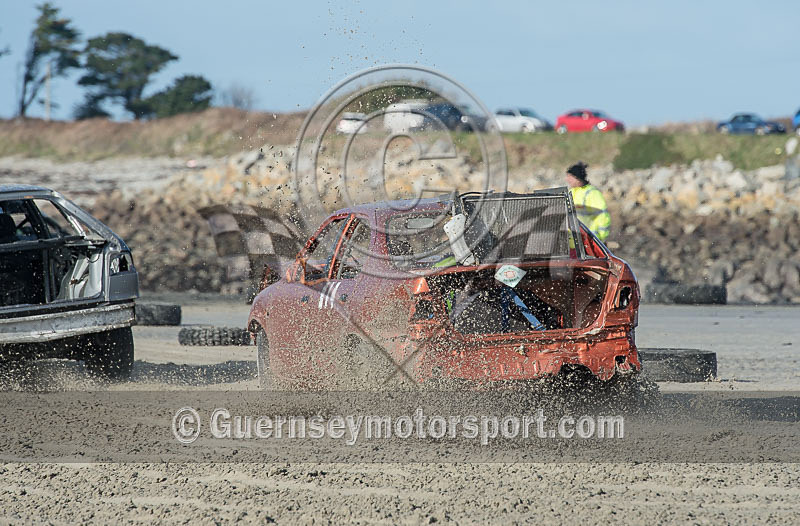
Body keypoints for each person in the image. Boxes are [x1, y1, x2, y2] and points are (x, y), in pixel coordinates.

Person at [565, 162, 611, 242]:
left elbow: (603, 216)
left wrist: (600, 239)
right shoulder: (571, 192)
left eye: (570, 177)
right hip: (574, 242)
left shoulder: (592, 193)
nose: (567, 179)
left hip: (590, 241)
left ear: (577, 178)